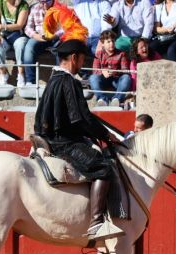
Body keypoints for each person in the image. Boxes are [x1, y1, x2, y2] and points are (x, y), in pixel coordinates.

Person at [34, 38, 124, 241]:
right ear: (74, 58)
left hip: (51, 139)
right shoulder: (69, 82)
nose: (83, 64)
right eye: (82, 59)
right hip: (64, 143)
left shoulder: (53, 80)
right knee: (103, 168)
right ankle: (97, 223)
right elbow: (81, 118)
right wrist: (104, 134)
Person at [0, 0, 30, 86]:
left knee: (21, 44)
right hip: (3, 35)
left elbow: (19, 25)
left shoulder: (23, 5)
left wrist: (2, 26)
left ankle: (20, 75)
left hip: (18, 35)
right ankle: (3, 73)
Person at [89, 30, 131, 107]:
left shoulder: (121, 54)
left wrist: (115, 72)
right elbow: (95, 70)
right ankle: (102, 99)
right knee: (92, 78)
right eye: (108, 42)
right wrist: (102, 72)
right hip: (103, 80)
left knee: (126, 78)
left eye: (112, 41)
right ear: (103, 44)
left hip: (116, 80)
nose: (111, 43)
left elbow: (125, 70)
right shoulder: (98, 54)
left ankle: (117, 99)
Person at [22, 0, 58, 86]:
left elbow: (64, 28)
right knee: (29, 47)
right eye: (42, 2)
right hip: (40, 37)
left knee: (62, 49)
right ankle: (30, 81)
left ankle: (57, 81)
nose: (45, 4)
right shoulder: (35, 8)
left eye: (47, 2)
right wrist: (35, 35)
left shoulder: (59, 9)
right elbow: (28, 28)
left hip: (55, 38)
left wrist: (54, 35)